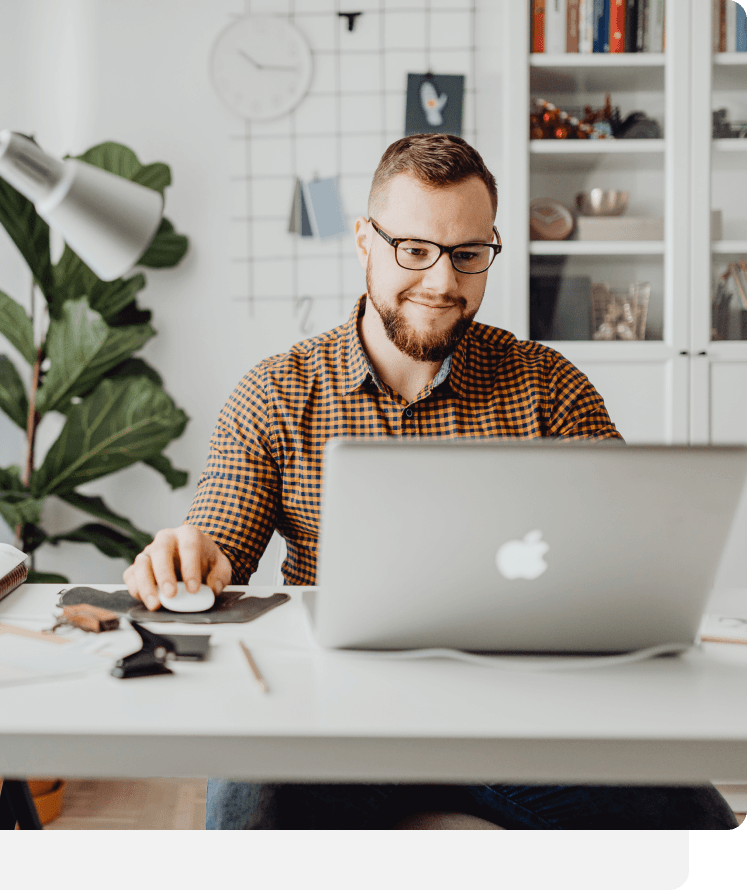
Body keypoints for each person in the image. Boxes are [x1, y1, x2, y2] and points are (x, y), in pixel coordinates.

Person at [122, 134, 740, 830]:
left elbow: (631, 557)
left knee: (708, 841)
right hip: (329, 716)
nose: (444, 282)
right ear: (365, 240)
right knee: (252, 841)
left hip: (528, 713)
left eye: (468, 255)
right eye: (414, 250)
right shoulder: (276, 391)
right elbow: (218, 541)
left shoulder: (549, 387)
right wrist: (189, 556)